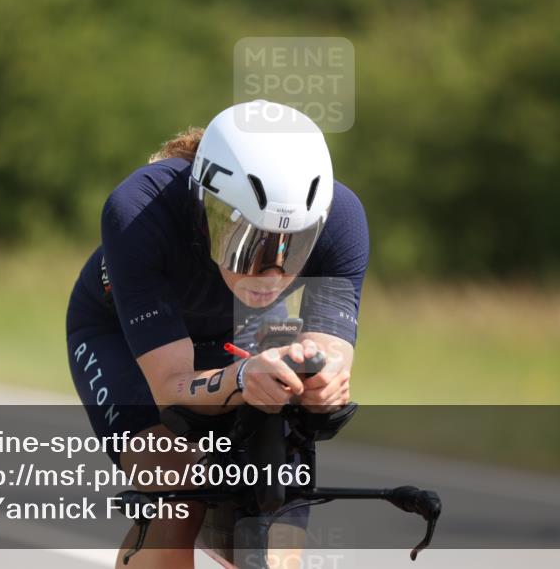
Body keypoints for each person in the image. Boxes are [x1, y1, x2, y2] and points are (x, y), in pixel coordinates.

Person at [66, 100, 369, 568]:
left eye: (295, 248)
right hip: (125, 338)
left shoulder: (344, 218)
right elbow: (171, 388)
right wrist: (243, 378)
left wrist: (323, 386)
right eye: (250, 244)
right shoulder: (138, 210)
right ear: (210, 210)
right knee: (177, 488)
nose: (271, 272)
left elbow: (329, 358)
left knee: (278, 517)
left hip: (244, 333)